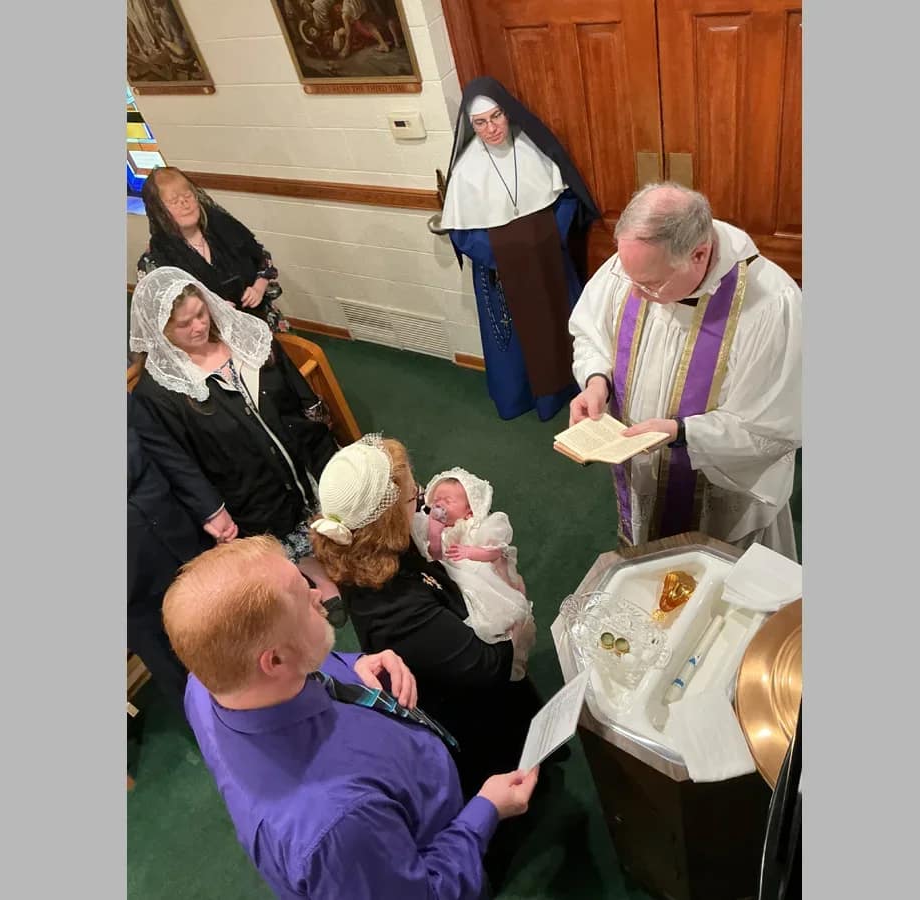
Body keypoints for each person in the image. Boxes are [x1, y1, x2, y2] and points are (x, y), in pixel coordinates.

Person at [163, 534, 540, 900]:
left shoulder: (209, 682)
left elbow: (307, 665)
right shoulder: (339, 825)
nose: (318, 593)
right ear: (275, 660)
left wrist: (358, 662)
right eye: (305, 600)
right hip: (445, 850)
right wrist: (485, 812)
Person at [568, 182, 802, 559]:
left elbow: (772, 428)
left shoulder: (771, 305)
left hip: (718, 488)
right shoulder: (637, 262)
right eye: (631, 280)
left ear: (699, 254)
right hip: (642, 470)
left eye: (651, 285)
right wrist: (597, 381)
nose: (637, 295)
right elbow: (592, 331)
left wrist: (681, 433)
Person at [128, 266, 339, 589]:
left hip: (298, 462)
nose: (199, 326)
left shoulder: (243, 336)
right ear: (160, 331)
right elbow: (179, 462)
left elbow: (295, 396)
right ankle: (310, 573)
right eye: (184, 324)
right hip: (248, 489)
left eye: (201, 313)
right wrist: (212, 510)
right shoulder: (157, 393)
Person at [440, 76, 601, 422]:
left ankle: (573, 386)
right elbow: (462, 234)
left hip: (548, 262)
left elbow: (567, 196)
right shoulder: (466, 171)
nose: (492, 128)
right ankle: (525, 397)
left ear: (508, 113)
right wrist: (508, 254)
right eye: (481, 123)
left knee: (563, 323)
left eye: (496, 117)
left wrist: (545, 238)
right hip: (502, 275)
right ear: (471, 126)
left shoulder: (533, 149)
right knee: (515, 344)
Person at [127, 393, 211, 718]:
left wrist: (210, 508)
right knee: (180, 673)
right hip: (131, 587)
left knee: (233, 623)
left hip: (181, 538)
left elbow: (166, 453)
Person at [411, 467, 535, 681]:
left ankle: (510, 649)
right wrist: (435, 531)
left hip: (479, 572)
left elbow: (495, 551)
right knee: (472, 616)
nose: (440, 504)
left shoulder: (475, 527)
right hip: (455, 575)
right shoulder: (436, 528)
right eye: (437, 500)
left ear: (468, 511)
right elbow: (436, 554)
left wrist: (471, 551)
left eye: (448, 501)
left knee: (500, 610)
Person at [137, 166, 288, 332]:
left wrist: (258, 288)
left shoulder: (223, 226)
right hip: (208, 335)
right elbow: (164, 314)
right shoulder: (155, 259)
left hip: (257, 319)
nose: (185, 204)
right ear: (159, 211)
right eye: (174, 201)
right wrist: (210, 311)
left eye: (188, 195)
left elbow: (261, 258)